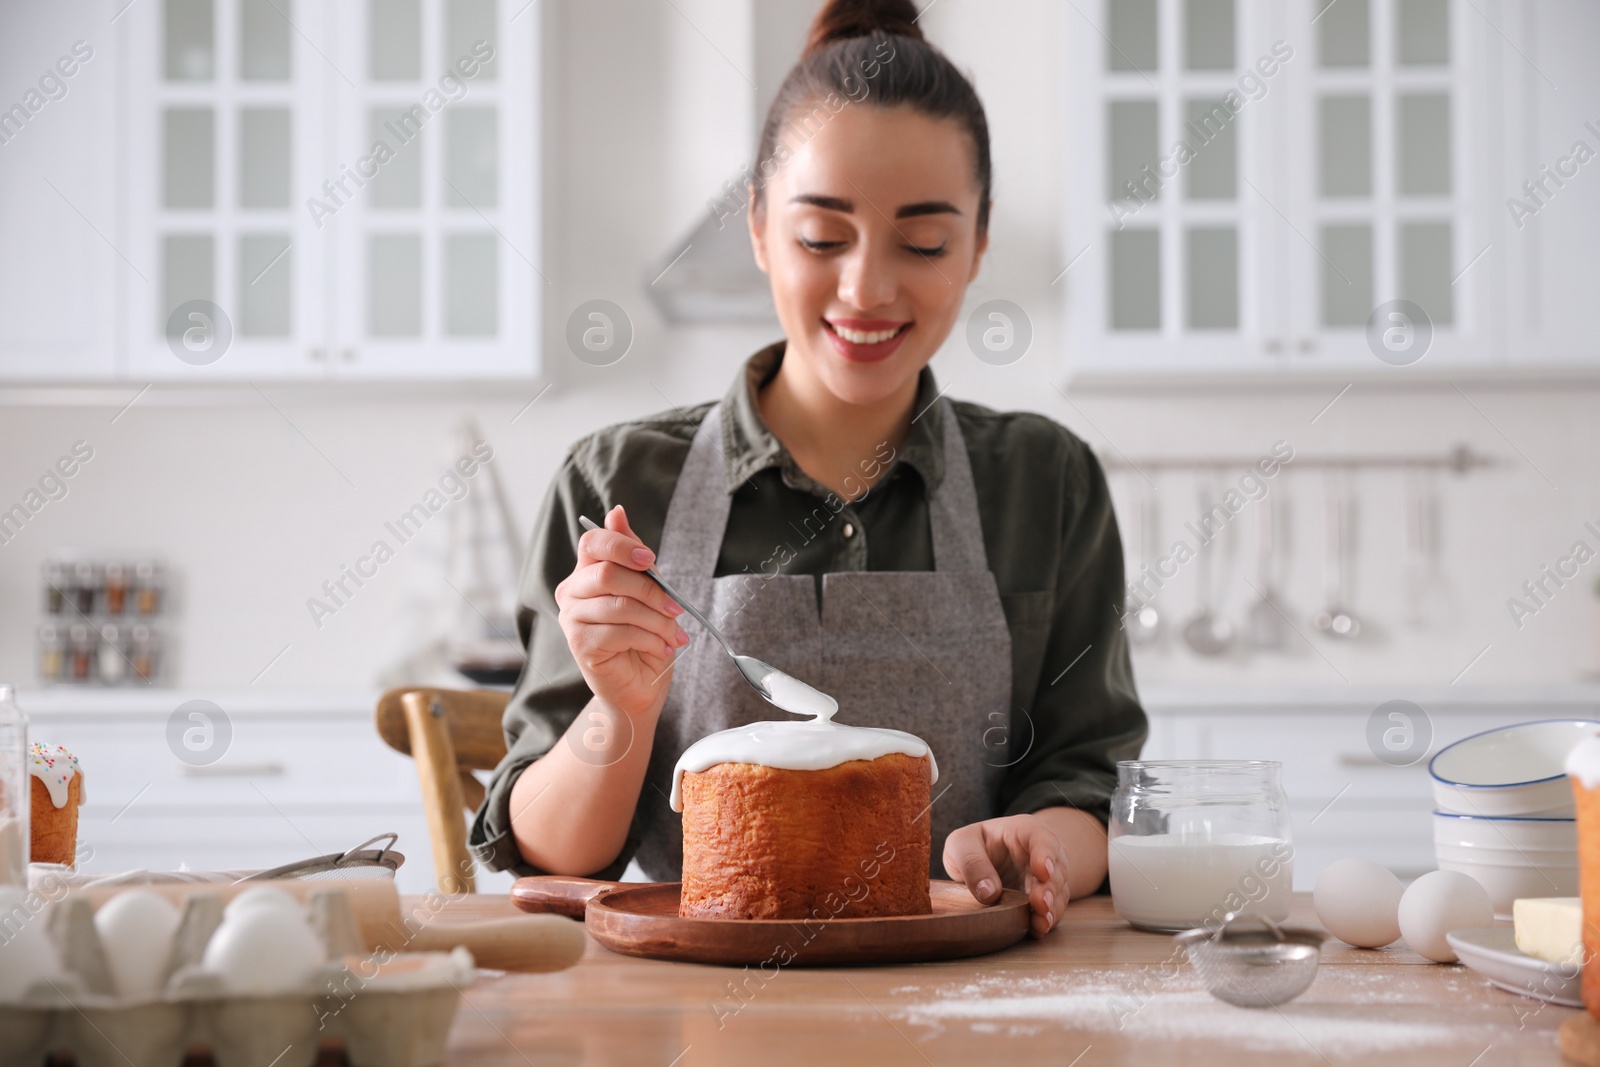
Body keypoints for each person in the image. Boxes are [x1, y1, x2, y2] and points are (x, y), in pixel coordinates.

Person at [470, 0, 1146, 938]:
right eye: (823, 237)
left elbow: (1089, 777)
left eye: (924, 241)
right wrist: (620, 709)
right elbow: (549, 856)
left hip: (980, 997)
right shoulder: (619, 482)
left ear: (980, 241)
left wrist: (1037, 842)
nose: (867, 287)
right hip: (695, 1011)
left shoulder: (1047, 481)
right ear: (757, 227)